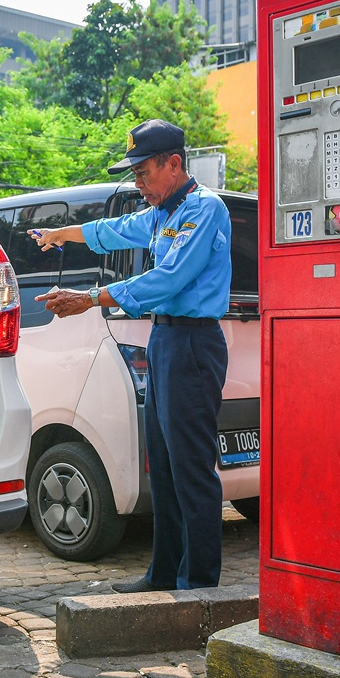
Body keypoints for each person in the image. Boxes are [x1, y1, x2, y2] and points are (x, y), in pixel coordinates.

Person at [32, 119, 232, 592]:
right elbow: (116, 230)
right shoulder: (161, 213)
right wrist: (65, 233)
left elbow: (168, 279)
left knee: (191, 470)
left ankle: (199, 587)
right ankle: (163, 575)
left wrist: (90, 298)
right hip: (163, 340)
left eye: (143, 172)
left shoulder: (205, 209)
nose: (138, 183)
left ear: (174, 164)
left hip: (194, 344)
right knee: (161, 466)